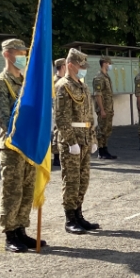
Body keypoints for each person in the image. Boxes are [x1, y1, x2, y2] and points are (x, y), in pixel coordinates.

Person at [0, 38, 42, 253]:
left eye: (24, 53)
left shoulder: (27, 83)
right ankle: (10, 233)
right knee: (12, 191)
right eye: (19, 53)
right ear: (7, 54)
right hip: (12, 147)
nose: (23, 57)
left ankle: (21, 229)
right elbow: (3, 118)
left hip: (28, 145)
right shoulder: (0, 83)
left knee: (27, 189)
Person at [54, 48, 98, 234]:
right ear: (70, 65)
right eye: (80, 65)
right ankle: (70, 218)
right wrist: (70, 141)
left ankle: (79, 214)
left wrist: (93, 137)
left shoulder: (83, 85)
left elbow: (90, 114)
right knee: (71, 180)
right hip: (71, 141)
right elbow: (61, 117)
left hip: (86, 138)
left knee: (83, 180)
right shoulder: (63, 85)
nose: (83, 69)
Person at [93, 56, 117, 159]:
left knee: (107, 129)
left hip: (109, 108)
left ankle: (105, 149)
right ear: (104, 63)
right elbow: (98, 95)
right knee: (102, 129)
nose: (110, 65)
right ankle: (101, 151)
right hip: (104, 108)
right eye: (109, 63)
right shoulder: (99, 77)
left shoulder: (106, 76)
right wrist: (102, 109)